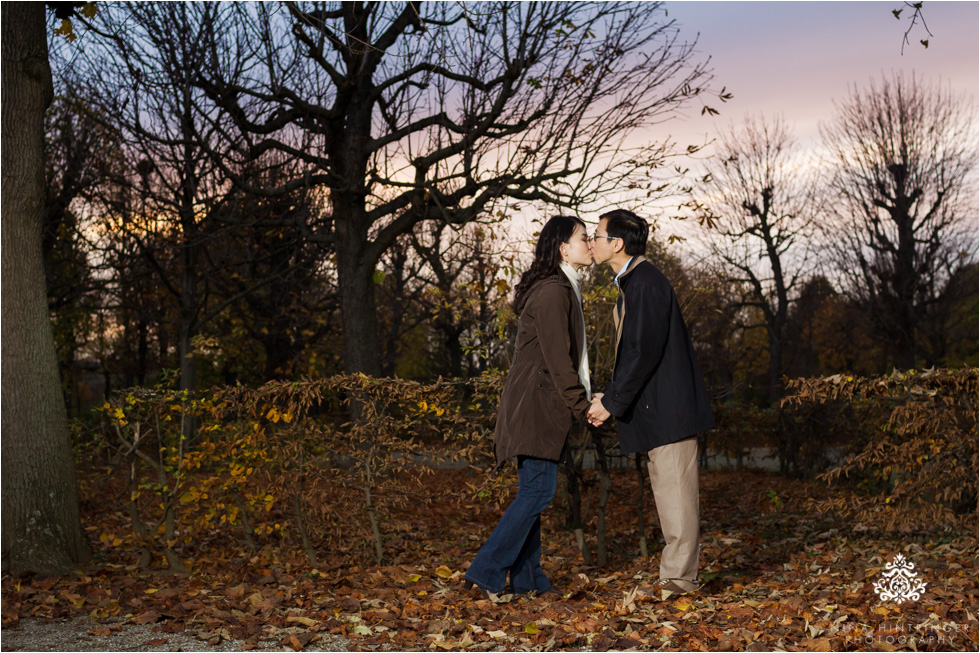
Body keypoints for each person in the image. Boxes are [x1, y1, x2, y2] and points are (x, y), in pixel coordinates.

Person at [463, 215, 598, 598]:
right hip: (537, 407)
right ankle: (486, 570)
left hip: (536, 404)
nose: (590, 244)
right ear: (562, 248)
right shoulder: (555, 292)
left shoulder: (559, 288)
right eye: (583, 238)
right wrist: (582, 406)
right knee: (537, 493)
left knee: (533, 493)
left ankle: (528, 581)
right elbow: (559, 360)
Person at [586, 209, 713, 600]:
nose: (592, 242)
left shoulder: (646, 283)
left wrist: (611, 401)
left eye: (597, 235)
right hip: (661, 411)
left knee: (676, 499)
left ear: (617, 244)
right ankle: (677, 580)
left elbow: (643, 351)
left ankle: (678, 583)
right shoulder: (636, 282)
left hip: (669, 412)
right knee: (669, 495)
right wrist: (610, 394)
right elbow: (637, 351)